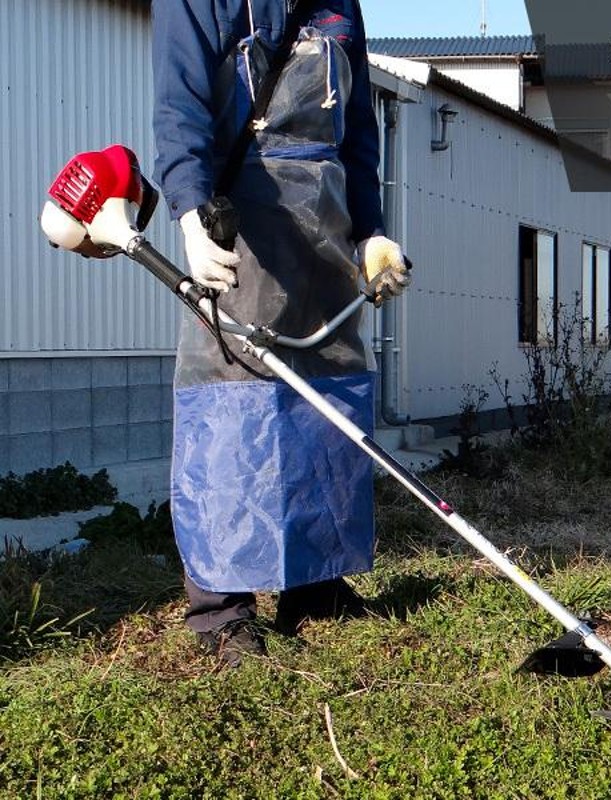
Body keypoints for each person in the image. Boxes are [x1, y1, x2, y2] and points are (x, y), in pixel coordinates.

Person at [151, 0, 410, 666]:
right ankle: (223, 608)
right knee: (231, 409)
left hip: (325, 226)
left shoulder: (338, 5)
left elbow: (357, 130)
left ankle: (318, 584)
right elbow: (180, 108)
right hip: (240, 222)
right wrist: (188, 211)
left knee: (323, 406)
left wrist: (372, 226)